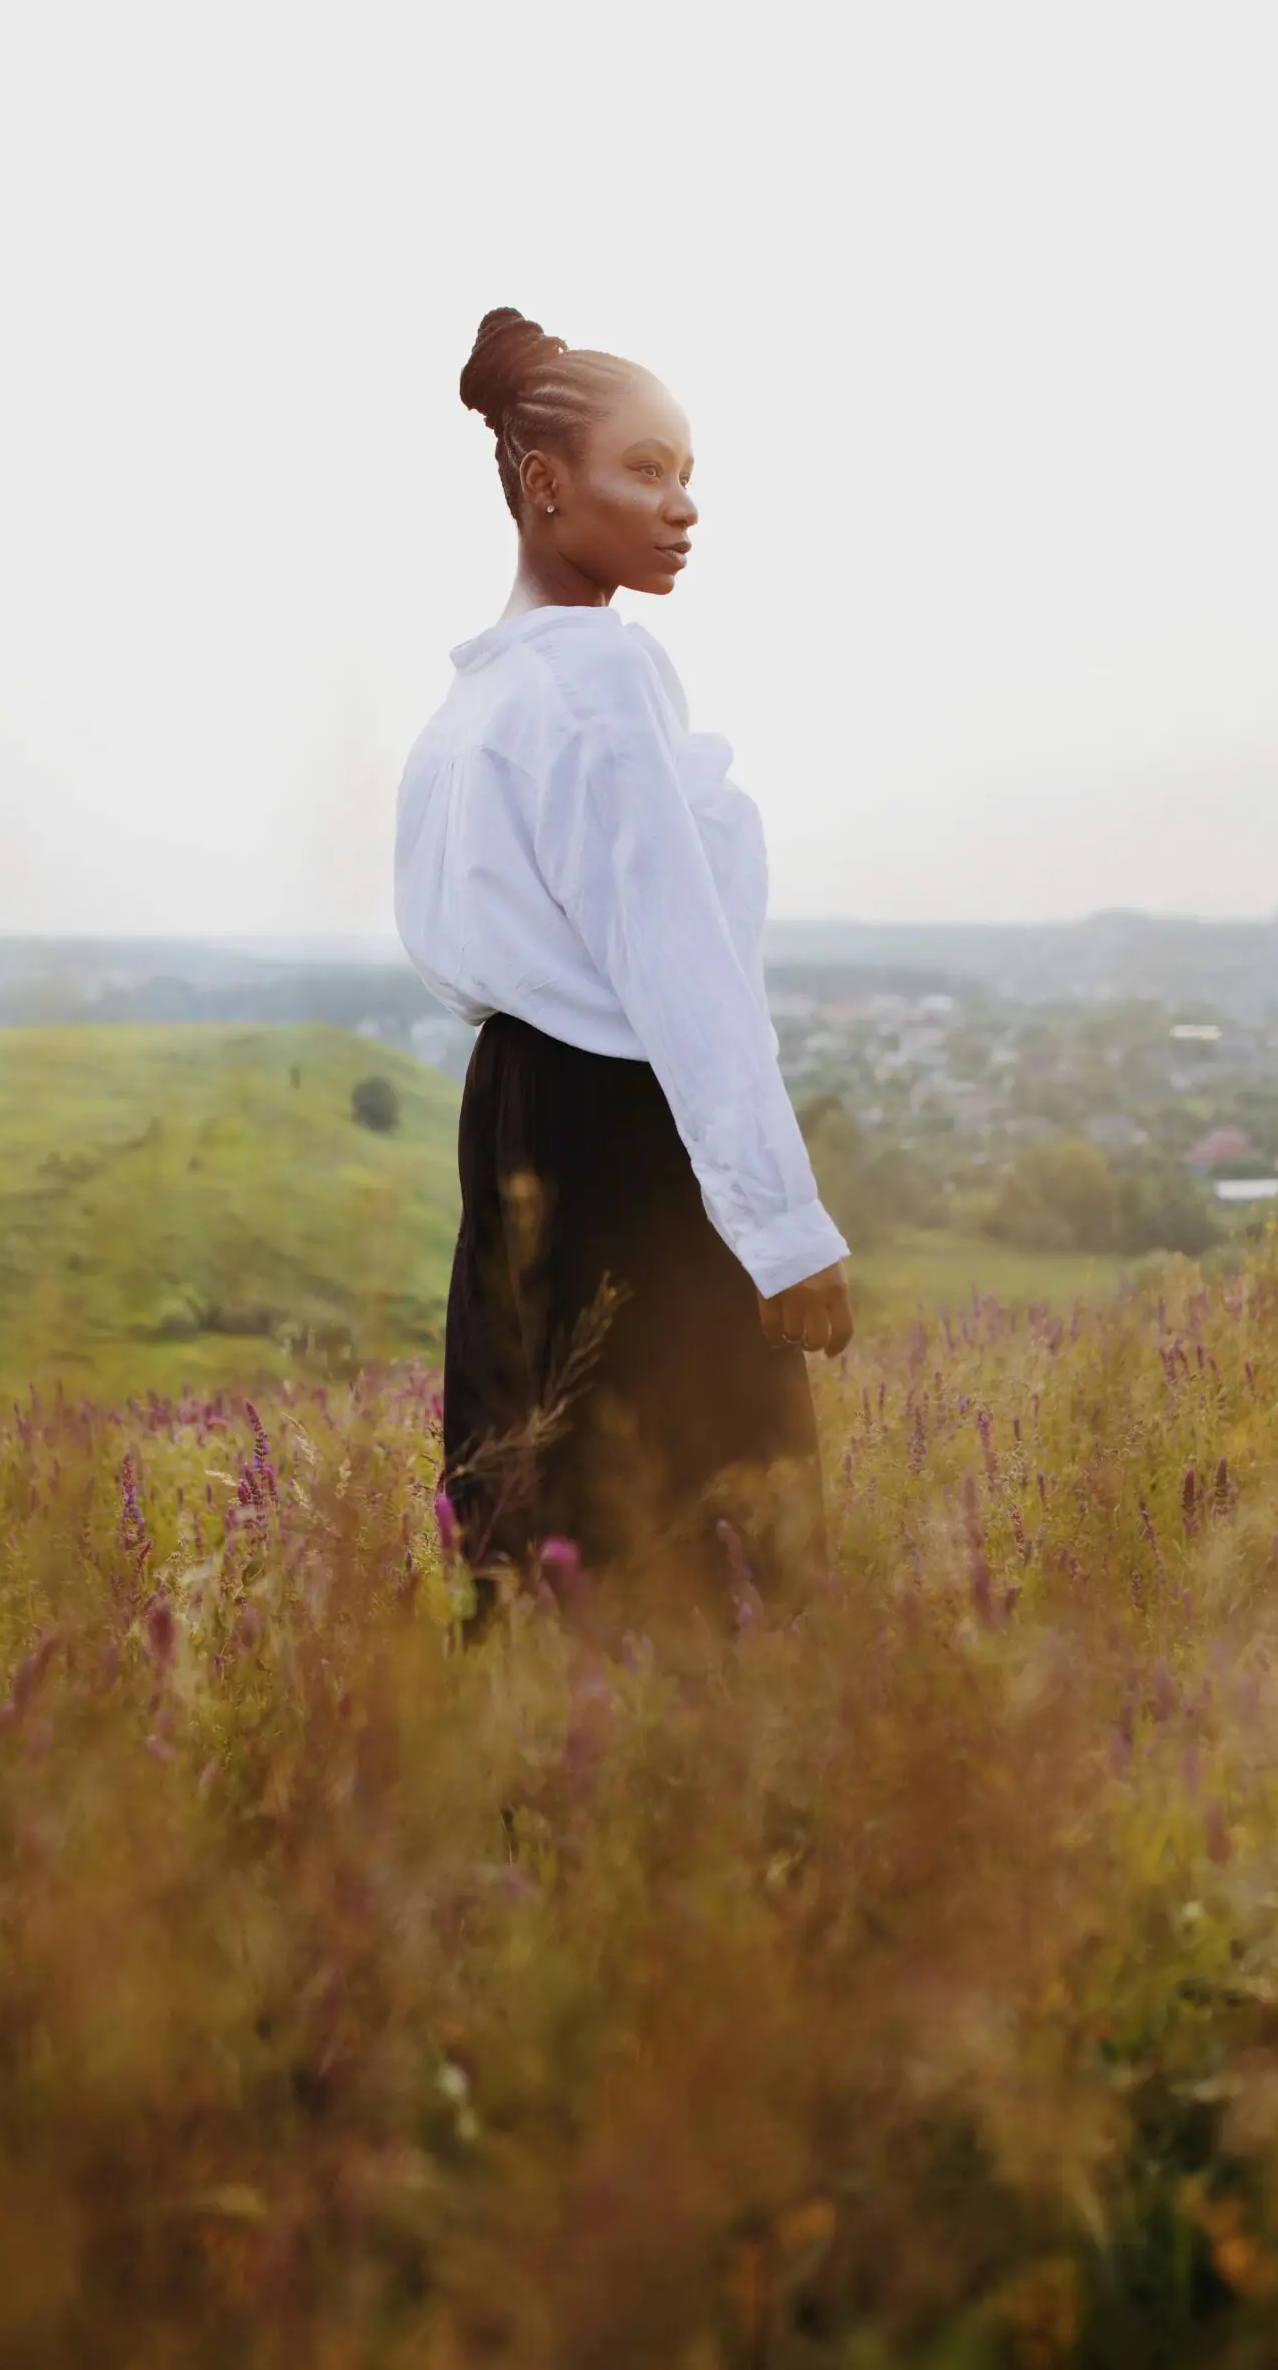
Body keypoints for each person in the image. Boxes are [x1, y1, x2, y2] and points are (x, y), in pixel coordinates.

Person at [394, 308, 853, 1623]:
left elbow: (459, 952)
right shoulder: (596, 678)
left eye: (686, 472)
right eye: (644, 471)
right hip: (628, 1132)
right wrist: (780, 1229)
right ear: (546, 488)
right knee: (697, 1529)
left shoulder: (471, 701)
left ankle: (542, 1792)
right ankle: (701, 1807)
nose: (683, 507)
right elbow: (679, 968)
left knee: (530, 1481)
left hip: (514, 1117)